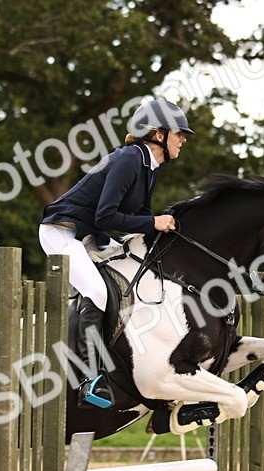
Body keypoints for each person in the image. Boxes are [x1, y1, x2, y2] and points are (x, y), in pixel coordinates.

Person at [39, 98, 193, 408]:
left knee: (132, 269)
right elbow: (106, 215)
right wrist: (154, 222)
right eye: (179, 133)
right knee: (96, 291)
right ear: (158, 134)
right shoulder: (128, 159)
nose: (184, 139)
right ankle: (87, 380)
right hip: (62, 233)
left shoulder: (149, 166)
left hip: (91, 236)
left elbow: (141, 219)